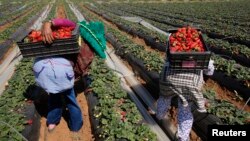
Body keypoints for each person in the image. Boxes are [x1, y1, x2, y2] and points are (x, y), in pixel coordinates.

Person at [33, 18, 83, 132]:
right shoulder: (70, 32)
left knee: (54, 96)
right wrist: (48, 23)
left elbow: (57, 23)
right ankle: (75, 125)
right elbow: (64, 22)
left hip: (45, 72)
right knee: (70, 98)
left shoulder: (43, 35)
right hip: (63, 72)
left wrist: (46, 24)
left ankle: (52, 121)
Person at [156, 60, 214, 141]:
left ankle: (159, 118)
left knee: (165, 98)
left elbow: (167, 60)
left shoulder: (173, 47)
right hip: (190, 82)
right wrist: (202, 79)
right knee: (185, 108)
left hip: (168, 77)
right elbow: (210, 68)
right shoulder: (201, 52)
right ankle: (183, 138)